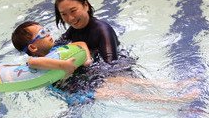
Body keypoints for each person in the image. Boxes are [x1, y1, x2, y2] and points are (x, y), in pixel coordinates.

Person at [11, 21, 199, 105]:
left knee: (125, 82)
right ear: (33, 47)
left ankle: (173, 86)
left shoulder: (58, 50)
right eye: (42, 34)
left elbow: (80, 43)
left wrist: (87, 56)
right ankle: (173, 100)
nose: (48, 33)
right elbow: (33, 62)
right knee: (124, 93)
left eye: (46, 30)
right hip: (78, 93)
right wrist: (65, 66)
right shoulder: (33, 60)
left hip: (85, 81)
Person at [54, 0, 119, 63]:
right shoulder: (72, 31)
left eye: (73, 11)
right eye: (64, 14)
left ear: (85, 6)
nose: (70, 18)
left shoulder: (103, 31)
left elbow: (112, 65)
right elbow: (55, 49)